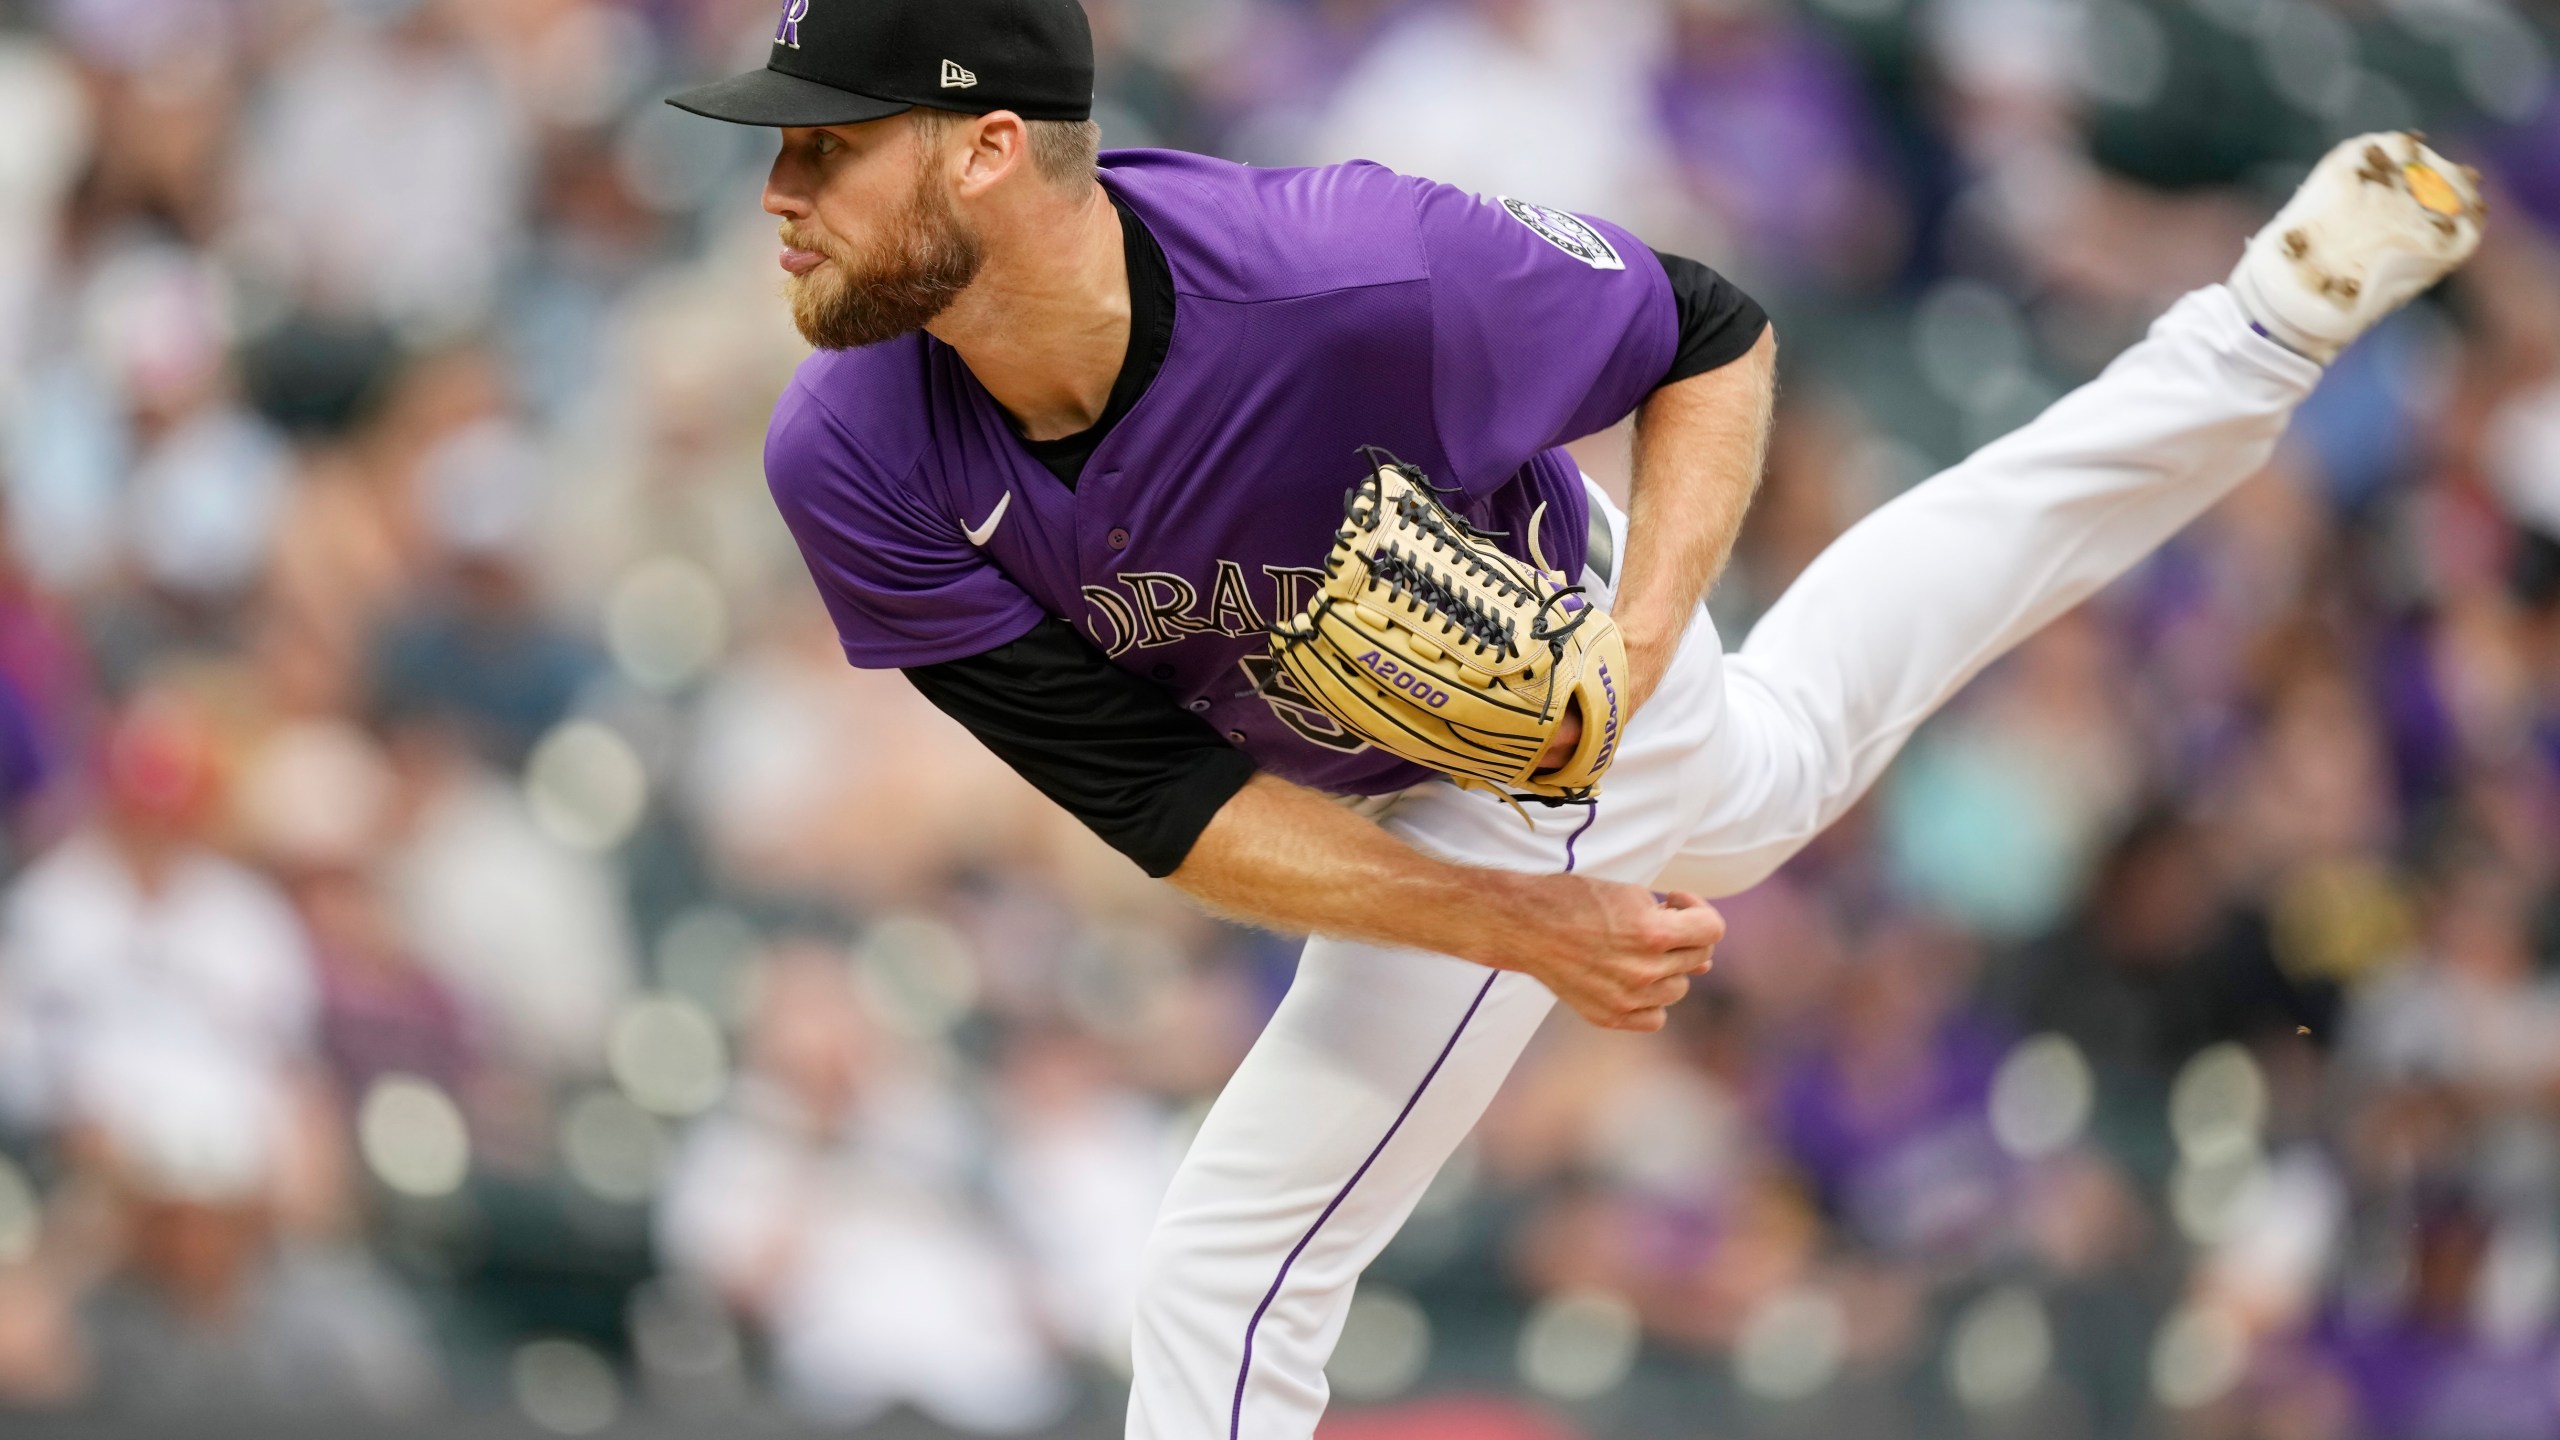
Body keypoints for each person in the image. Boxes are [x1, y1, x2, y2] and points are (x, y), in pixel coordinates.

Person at [665, 2, 2483, 1434]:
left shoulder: (1344, 276)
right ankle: (2242, 349)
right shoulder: (850, 453)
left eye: (827, 143)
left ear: (991, 151)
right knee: (1771, 773)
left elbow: (1708, 331)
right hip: (1392, 763)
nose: (779, 189)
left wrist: (1622, 643)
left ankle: (2235, 355)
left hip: (1544, 694)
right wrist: (1525, 933)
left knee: (1232, 1261)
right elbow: (1156, 794)